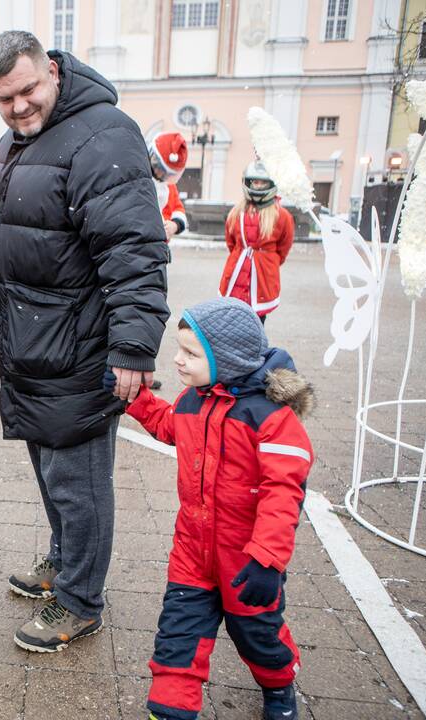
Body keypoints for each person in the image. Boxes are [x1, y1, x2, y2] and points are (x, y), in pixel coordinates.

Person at [0, 30, 170, 652]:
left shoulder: (103, 133)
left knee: (79, 483)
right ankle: (64, 564)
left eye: (28, 89)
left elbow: (134, 250)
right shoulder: (17, 140)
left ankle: (81, 600)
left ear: (54, 72)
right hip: (35, 348)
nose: (18, 107)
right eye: (4, 98)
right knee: (52, 472)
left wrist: (133, 349)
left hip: (81, 350)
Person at [111, 297, 313, 720]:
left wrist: (268, 561)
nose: (178, 361)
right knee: (178, 635)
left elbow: (284, 493)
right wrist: (134, 398)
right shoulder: (193, 400)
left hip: (247, 561)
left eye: (190, 353)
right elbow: (170, 427)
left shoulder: (270, 417)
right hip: (193, 553)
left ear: (227, 358)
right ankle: (170, 710)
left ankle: (279, 686)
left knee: (258, 637)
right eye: (179, 350)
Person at [219, 161, 295, 324]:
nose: (258, 186)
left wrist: (268, 262)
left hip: (262, 276)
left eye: (263, 182)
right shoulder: (236, 212)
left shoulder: (282, 216)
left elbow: (283, 247)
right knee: (232, 318)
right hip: (237, 270)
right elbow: (231, 243)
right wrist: (240, 255)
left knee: (256, 321)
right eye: (255, 182)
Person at [148, 131, 189, 242]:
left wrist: (175, 225)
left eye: (168, 174)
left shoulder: (169, 186)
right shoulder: (141, 180)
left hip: (160, 246)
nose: (162, 175)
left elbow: (178, 208)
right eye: (160, 169)